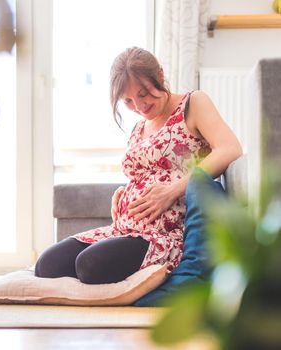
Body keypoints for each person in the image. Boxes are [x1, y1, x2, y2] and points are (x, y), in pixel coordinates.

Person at [34, 47, 243, 284]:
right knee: (47, 264)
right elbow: (146, 173)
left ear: (160, 75)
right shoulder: (138, 128)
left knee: (89, 265)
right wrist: (123, 194)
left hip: (164, 235)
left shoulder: (192, 104)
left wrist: (171, 191)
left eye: (144, 94)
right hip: (124, 229)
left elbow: (230, 148)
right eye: (129, 101)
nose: (140, 106)